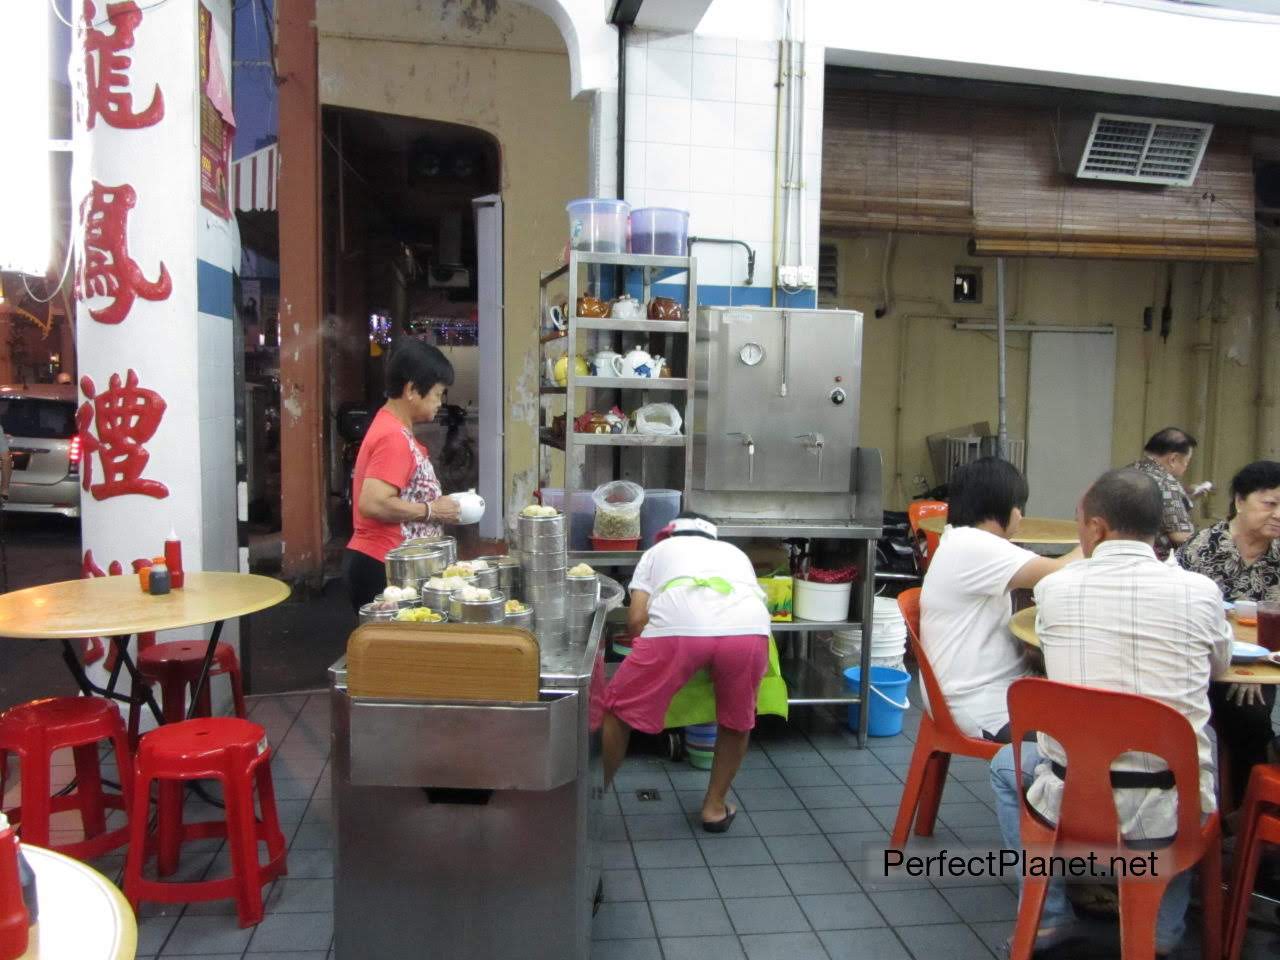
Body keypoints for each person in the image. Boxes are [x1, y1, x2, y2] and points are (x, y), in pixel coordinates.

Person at [990, 469, 1230, 957]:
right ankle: (1160, 928)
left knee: (1003, 767)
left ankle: (1049, 917)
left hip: (1072, 800)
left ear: (1096, 528)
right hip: (1168, 810)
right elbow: (1218, 666)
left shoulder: (1056, 591)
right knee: (1199, 757)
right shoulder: (1201, 591)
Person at [601, 513, 771, 832]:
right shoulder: (736, 554)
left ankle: (591, 804)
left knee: (617, 711)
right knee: (737, 719)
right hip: (748, 629)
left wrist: (668, 661)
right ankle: (715, 808)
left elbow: (637, 619)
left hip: (679, 627)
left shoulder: (656, 553)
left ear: (668, 534)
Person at [920, 458, 1080, 741]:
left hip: (987, 690)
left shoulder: (960, 539)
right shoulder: (975, 546)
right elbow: (1060, 573)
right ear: (1002, 506)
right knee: (1080, 741)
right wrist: (1097, 537)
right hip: (980, 704)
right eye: (1020, 507)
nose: (1020, 517)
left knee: (1082, 718)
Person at [1177, 459, 1280, 806]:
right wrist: (1234, 664)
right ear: (1239, 501)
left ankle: (1247, 812)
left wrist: (1257, 669)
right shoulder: (1201, 549)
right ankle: (1228, 810)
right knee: (1235, 711)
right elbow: (1185, 617)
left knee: (1249, 708)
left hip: (1264, 666)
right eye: (1270, 504)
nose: (1279, 514)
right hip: (1201, 661)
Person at [343, 339, 461, 610]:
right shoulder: (392, 437)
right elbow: (373, 503)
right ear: (411, 390)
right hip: (382, 566)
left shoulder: (394, 429)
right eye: (437, 393)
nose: (439, 403)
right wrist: (431, 510)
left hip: (388, 564)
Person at [1126, 428, 1200, 561]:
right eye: (1186, 462)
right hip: (1155, 562)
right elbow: (1181, 535)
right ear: (1173, 459)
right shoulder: (1167, 484)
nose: (1186, 467)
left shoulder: (1125, 473)